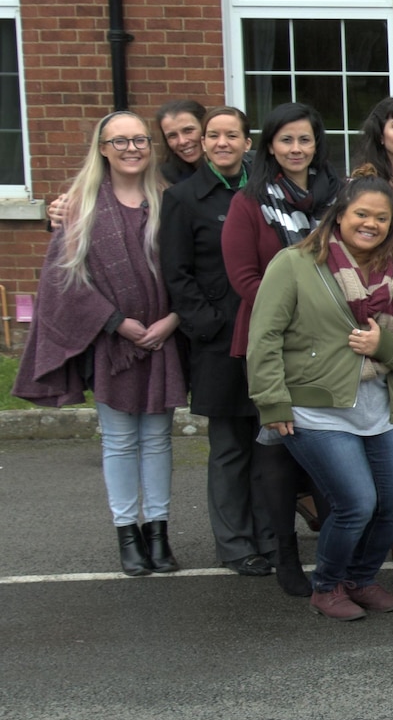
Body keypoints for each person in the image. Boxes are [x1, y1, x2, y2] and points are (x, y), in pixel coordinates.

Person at [246, 176, 393, 620]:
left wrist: (382, 346)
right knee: (356, 504)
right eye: (361, 214)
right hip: (315, 408)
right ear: (340, 214)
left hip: (379, 407)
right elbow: (264, 337)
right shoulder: (295, 263)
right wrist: (272, 402)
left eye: (381, 218)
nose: (371, 224)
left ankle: (360, 580)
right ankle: (326, 587)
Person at [16, 111, 186, 576]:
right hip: (112, 343)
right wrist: (115, 322)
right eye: (120, 141)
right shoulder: (81, 206)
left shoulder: (169, 203)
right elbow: (62, 280)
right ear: (103, 149)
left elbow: (190, 272)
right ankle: (127, 535)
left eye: (139, 140)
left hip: (162, 338)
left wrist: (172, 320)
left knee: (156, 442)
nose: (131, 149)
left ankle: (158, 533)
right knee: (118, 441)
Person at [221, 102, 342, 595]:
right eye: (286, 139)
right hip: (274, 343)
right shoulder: (249, 203)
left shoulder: (336, 199)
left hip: (333, 344)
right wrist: (297, 314)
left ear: (317, 146)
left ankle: (334, 553)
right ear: (269, 145)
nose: (296, 148)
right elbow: (244, 277)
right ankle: (286, 554)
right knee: (277, 448)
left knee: (329, 445)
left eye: (305, 140)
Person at [160, 107, 270, 576]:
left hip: (267, 336)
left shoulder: (266, 190)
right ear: (202, 144)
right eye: (213, 136)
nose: (221, 142)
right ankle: (235, 544)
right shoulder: (184, 198)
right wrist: (207, 324)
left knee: (270, 446)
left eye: (232, 135)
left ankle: (271, 537)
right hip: (219, 342)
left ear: (248, 142)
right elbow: (177, 273)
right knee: (229, 448)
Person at [156, 99, 207, 186]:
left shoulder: (231, 169)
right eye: (172, 135)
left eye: (188, 130)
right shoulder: (163, 181)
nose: (182, 141)